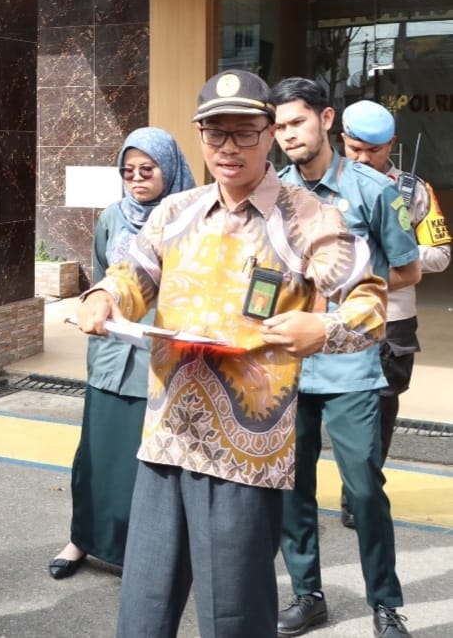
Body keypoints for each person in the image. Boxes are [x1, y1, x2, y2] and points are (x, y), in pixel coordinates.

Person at [76, 69, 386, 638]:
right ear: (199, 137)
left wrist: (323, 328)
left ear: (269, 133)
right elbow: (133, 275)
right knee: (143, 605)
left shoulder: (308, 216)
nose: (229, 148)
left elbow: (368, 305)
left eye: (244, 133)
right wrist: (102, 296)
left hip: (246, 450)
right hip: (167, 432)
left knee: (233, 613)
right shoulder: (177, 211)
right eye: (215, 134)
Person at [271, 78, 419, 638]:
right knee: (292, 484)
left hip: (351, 362)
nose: (288, 136)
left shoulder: (373, 190)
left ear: (326, 119)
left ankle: (385, 602)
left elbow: (404, 267)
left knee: (362, 487)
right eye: (280, 127)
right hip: (287, 364)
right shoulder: (273, 191)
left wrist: (352, 281)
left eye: (298, 123)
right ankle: (307, 593)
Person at [49, 128, 194, 581]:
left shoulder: (190, 219)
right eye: (128, 171)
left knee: (148, 464)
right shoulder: (112, 217)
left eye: (147, 170)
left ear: (168, 170)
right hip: (111, 360)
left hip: (162, 362)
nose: (136, 179)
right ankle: (82, 538)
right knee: (95, 455)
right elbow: (100, 277)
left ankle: (146, 551)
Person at [340, 100, 450, 473]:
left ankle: (361, 494)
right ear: (342, 140)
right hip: (336, 314)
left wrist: (397, 252)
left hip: (393, 319)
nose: (365, 158)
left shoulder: (413, 190)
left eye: (375, 150)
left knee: (382, 410)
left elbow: (441, 254)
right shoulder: (327, 184)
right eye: (355, 149)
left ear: (392, 144)